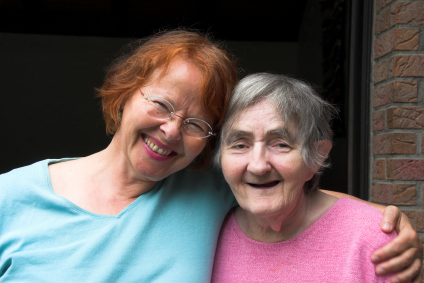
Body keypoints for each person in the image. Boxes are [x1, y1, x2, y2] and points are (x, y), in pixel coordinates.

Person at [0, 31, 421, 282]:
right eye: (162, 105)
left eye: (196, 124)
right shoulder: (10, 197)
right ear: (124, 94)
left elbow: (290, 187)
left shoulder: (205, 191)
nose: (171, 131)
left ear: (209, 144)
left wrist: (387, 222)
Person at [211, 73, 421, 282]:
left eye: (281, 144)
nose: (258, 166)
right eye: (240, 145)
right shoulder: (207, 233)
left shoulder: (374, 241)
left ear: (316, 157)